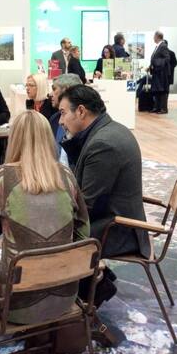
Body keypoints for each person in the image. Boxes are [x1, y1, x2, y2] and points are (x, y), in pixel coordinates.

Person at [0, 110, 90, 324]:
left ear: (13, 139)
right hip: (65, 297)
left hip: (12, 304)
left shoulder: (0, 177)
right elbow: (84, 232)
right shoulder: (66, 175)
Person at [58, 85, 150, 259]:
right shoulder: (108, 130)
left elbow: (86, 207)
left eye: (63, 113)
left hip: (116, 231)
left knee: (48, 237)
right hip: (114, 220)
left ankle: (84, 278)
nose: (60, 121)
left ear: (81, 111)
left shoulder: (103, 144)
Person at [48, 73, 83, 163]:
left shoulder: (83, 121)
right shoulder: (54, 119)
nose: (50, 94)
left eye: (54, 89)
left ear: (66, 91)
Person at [149, 31, 170, 114]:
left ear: (157, 37)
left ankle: (163, 109)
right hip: (156, 72)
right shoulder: (158, 46)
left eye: (154, 36)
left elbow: (167, 58)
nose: (153, 38)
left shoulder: (163, 46)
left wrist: (156, 63)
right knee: (157, 90)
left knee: (162, 91)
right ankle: (157, 107)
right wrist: (151, 65)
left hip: (161, 73)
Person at [165, 39, 177, 112]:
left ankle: (165, 105)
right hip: (162, 76)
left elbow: (175, 63)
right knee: (162, 91)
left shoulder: (171, 53)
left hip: (168, 75)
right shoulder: (160, 53)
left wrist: (169, 68)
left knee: (166, 90)